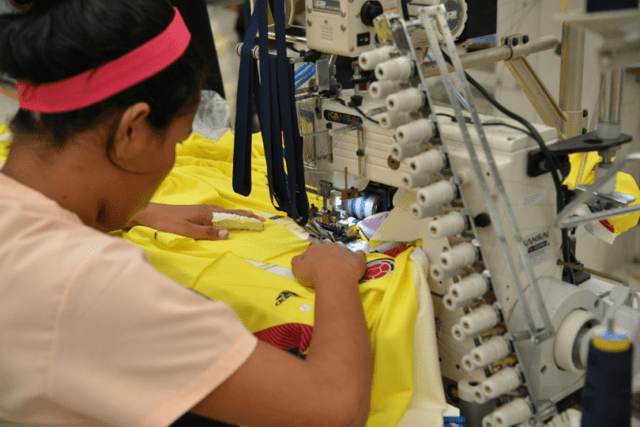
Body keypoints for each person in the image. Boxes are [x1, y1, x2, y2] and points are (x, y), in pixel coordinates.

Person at [0, 1, 372, 427]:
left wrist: (135, 212)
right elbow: (334, 408)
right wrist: (335, 275)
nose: (176, 157)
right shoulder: (88, 279)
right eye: (177, 142)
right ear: (132, 131)